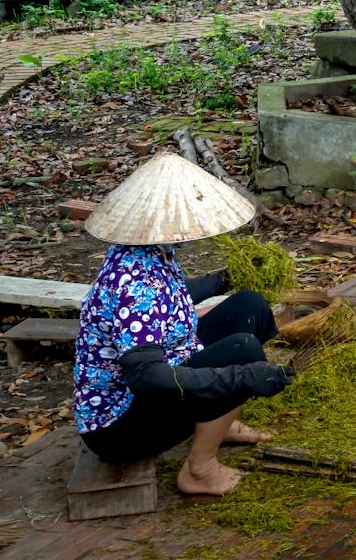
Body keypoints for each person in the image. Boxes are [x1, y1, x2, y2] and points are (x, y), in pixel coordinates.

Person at [74, 152, 294, 497]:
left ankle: (220, 422)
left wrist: (226, 280)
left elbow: (169, 297)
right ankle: (199, 470)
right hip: (119, 427)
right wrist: (240, 378)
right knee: (244, 353)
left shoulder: (148, 249)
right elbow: (146, 376)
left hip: (165, 367)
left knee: (248, 305)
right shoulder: (133, 285)